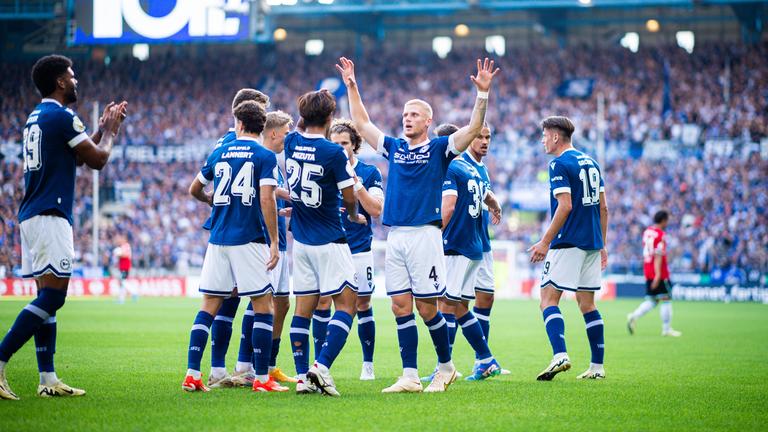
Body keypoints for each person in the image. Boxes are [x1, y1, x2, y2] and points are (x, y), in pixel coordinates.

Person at [337, 56, 499, 393]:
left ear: (428, 120)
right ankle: (409, 375)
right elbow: (362, 123)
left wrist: (482, 95)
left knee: (428, 307)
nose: (406, 119)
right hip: (395, 236)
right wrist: (352, 86)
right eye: (404, 114)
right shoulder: (394, 148)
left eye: (413, 115)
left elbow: (471, 131)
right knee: (399, 305)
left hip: (425, 234)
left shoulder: (441, 148)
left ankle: (445, 367)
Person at [0, 54, 126, 400]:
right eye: (72, 76)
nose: (76, 80)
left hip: (34, 213)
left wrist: (98, 130)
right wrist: (111, 134)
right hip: (50, 214)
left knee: (46, 298)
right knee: (55, 296)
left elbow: (77, 156)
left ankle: (48, 378)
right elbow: (97, 160)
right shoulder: (62, 115)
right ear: (60, 81)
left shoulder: (36, 118)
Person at [183, 100, 286, 393]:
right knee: (263, 307)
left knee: (208, 307)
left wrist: (210, 200)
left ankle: (192, 374)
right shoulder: (265, 156)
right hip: (249, 238)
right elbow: (267, 199)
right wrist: (275, 242)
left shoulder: (219, 152)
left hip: (218, 238)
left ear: (238, 124)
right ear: (261, 126)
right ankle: (262, 379)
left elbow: (194, 189)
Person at [285, 90, 364, 397]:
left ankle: (303, 377)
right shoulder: (334, 153)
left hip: (301, 241)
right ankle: (320, 367)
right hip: (330, 238)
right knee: (348, 305)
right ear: (331, 119)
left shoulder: (291, 143)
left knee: (302, 310)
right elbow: (348, 196)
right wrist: (353, 214)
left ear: (303, 117)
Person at [528, 116, 608, 381]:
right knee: (587, 303)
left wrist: (545, 241)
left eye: (544, 135)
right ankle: (597, 367)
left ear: (554, 137)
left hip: (568, 241)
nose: (542, 140)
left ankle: (559, 354)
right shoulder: (593, 163)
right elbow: (603, 208)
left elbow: (565, 205)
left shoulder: (558, 164)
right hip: (592, 243)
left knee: (548, 299)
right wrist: (603, 245)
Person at [203, 89, 271, 388]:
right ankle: (244, 368)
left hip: (222, 227)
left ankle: (222, 368)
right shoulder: (249, 145)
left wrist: (214, 202)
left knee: (227, 300)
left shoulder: (221, 144)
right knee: (253, 300)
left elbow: (203, 185)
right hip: (245, 230)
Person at [313, 119, 385, 381]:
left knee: (362, 304)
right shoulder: (322, 169)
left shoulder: (369, 172)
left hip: (358, 248)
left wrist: (354, 182)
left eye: (344, 143)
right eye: (335, 143)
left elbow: (376, 211)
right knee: (321, 303)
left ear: (355, 144)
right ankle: (319, 363)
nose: (340, 148)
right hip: (329, 247)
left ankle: (368, 365)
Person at [437, 123, 504, 381]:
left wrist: (434, 234)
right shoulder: (470, 169)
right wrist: (496, 205)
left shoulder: (451, 167)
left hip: (457, 244)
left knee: (447, 304)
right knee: (462, 306)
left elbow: (449, 207)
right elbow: (487, 195)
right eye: (481, 136)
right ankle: (486, 359)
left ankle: (444, 367)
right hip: (474, 246)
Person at [457, 123, 511, 375]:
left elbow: (484, 191)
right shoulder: (458, 165)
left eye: (488, 136)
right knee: (455, 304)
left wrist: (494, 203)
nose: (485, 141)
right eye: (479, 136)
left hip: (482, 243)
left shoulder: (481, 168)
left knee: (486, 299)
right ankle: (442, 366)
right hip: (462, 245)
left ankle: (482, 362)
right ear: (468, 139)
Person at [627, 210, 682, 337]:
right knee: (666, 298)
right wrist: (658, 275)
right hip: (659, 272)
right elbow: (658, 255)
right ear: (663, 220)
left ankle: (633, 316)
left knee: (652, 300)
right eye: (667, 220)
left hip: (648, 269)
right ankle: (666, 329)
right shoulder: (660, 234)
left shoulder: (647, 232)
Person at [112, 235, 134, 304]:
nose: (120, 240)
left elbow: (126, 255)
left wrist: (119, 254)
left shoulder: (126, 246)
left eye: (122, 239)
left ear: (125, 240)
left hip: (125, 266)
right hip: (122, 266)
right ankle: (121, 299)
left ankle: (134, 292)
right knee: (122, 282)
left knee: (123, 282)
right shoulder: (122, 247)